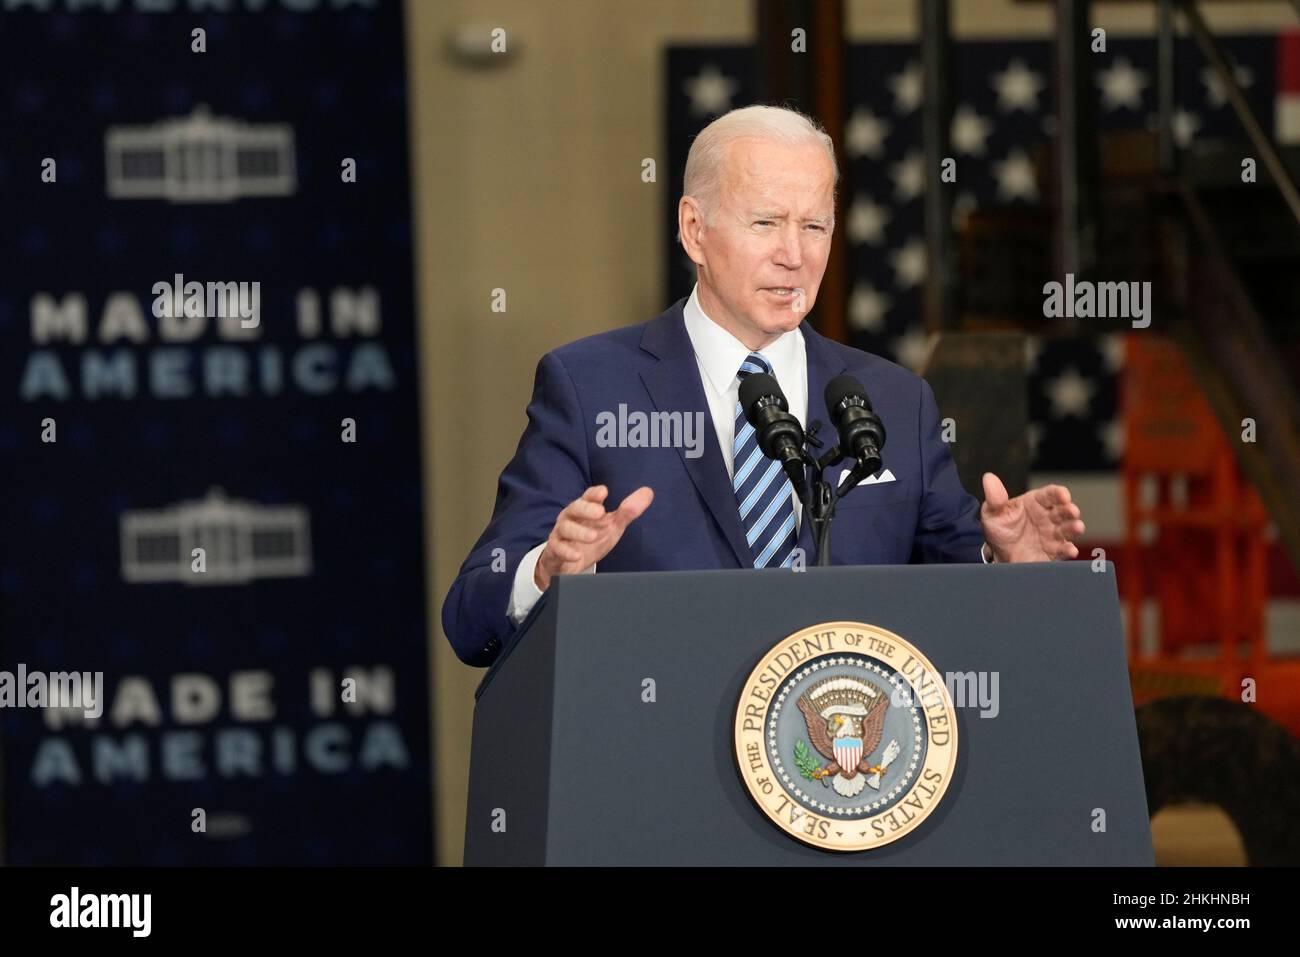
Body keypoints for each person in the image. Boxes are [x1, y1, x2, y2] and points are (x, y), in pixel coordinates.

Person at [442, 104, 1085, 667]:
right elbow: (469, 620)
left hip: (845, 770)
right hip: (658, 771)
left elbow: (955, 591)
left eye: (815, 226)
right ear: (695, 229)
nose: (795, 255)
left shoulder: (892, 398)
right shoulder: (589, 388)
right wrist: (547, 572)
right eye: (765, 223)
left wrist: (1007, 562)